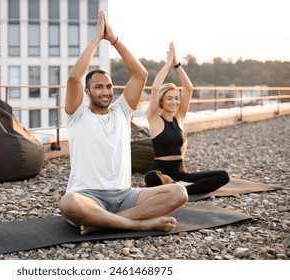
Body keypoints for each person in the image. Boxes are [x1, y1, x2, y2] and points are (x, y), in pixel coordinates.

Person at [58, 10, 188, 235]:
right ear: (87, 91)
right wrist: (97, 39)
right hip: (88, 196)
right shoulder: (77, 115)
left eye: (109, 86)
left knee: (179, 193)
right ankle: (138, 224)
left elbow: (140, 74)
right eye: (98, 87)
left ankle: (105, 222)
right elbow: (73, 79)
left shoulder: (121, 111)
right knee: (68, 203)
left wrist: (114, 39)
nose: (106, 91)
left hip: (125, 195)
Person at [144, 42, 230, 195]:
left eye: (177, 98)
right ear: (161, 101)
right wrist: (168, 63)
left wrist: (177, 64)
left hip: (181, 172)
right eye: (169, 98)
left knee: (223, 176)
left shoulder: (180, 117)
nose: (175, 102)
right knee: (151, 178)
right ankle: (170, 185)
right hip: (160, 172)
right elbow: (155, 88)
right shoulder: (154, 119)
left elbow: (189, 88)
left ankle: (182, 190)